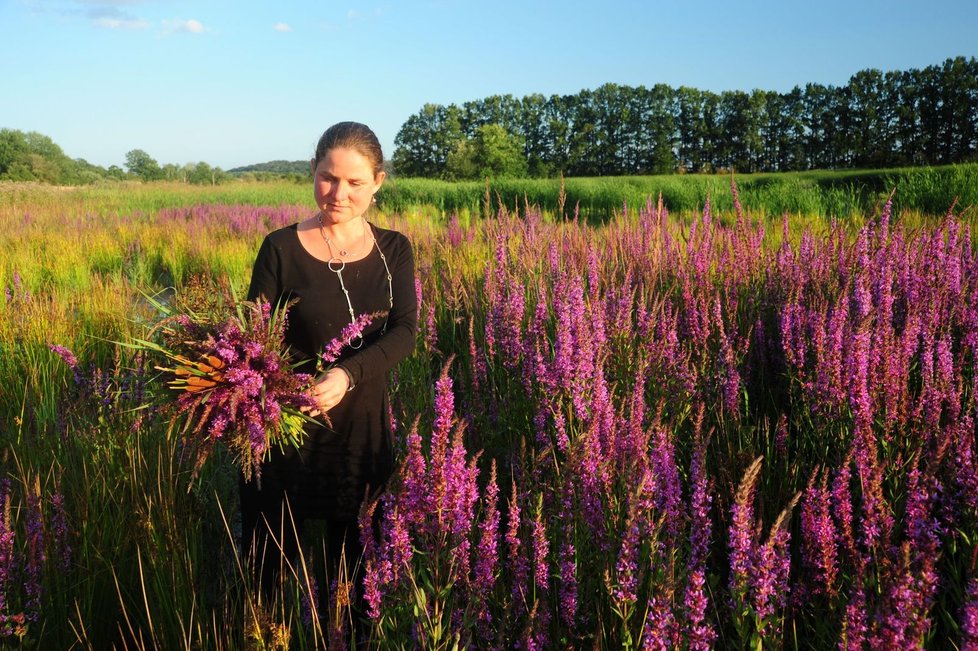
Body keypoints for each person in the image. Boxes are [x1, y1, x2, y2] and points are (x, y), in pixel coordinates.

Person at [242, 122, 417, 598]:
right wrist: (279, 389)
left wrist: (346, 373)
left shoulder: (394, 250)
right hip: (285, 428)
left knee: (357, 573)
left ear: (378, 182)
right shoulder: (279, 248)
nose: (338, 193)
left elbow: (404, 332)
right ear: (312, 172)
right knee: (269, 568)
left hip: (360, 430)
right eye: (328, 177)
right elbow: (253, 337)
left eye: (356, 182)